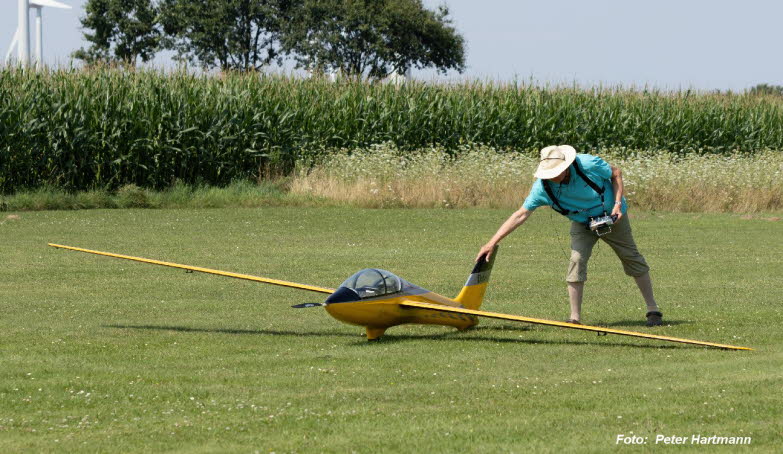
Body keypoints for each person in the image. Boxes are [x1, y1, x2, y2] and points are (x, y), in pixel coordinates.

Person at [476, 145, 663, 326]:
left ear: (565, 167)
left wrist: (616, 204)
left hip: (613, 218)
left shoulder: (588, 165)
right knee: (576, 260)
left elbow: (616, 173)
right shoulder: (542, 188)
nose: (552, 177)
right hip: (583, 224)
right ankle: (574, 318)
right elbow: (521, 214)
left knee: (631, 257)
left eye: (555, 171)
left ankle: (652, 309)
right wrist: (492, 242)